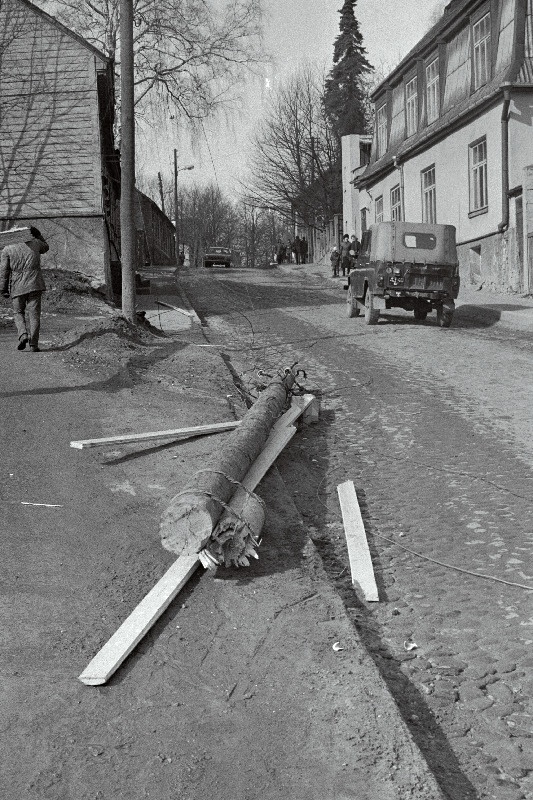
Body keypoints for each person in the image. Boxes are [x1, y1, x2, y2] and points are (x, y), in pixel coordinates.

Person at [0, 226, 49, 352]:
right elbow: (46, 247)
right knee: (34, 314)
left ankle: (23, 335)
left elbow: (4, 271)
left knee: (18, 312)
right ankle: (34, 344)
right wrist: (38, 234)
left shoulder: (7, 249)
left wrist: (3, 289)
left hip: (17, 286)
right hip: (35, 284)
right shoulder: (36, 243)